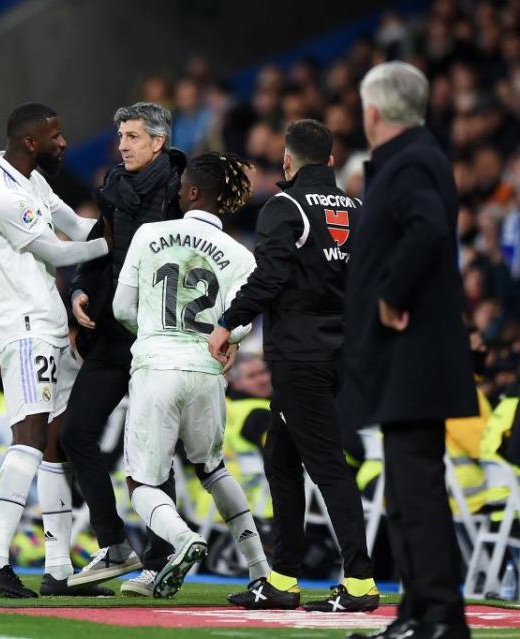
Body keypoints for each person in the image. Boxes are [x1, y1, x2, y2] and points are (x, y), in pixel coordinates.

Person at [209, 119, 378, 612]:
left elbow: (269, 278)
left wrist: (227, 323)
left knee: (326, 465)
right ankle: (282, 578)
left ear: (288, 160)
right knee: (282, 460)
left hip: (298, 353)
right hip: (340, 350)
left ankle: (361, 583)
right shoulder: (358, 209)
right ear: (330, 159)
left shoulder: (285, 206)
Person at [343, 62, 476, 639]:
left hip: (414, 354)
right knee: (405, 493)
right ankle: (418, 613)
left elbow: (428, 230)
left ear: (374, 112)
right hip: (406, 358)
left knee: (415, 491)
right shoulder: (412, 159)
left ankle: (442, 616)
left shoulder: (414, 160)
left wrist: (393, 293)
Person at [112, 152, 271, 599]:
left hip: (156, 366)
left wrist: (152, 329)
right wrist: (227, 341)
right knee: (212, 469)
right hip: (206, 371)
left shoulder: (150, 234)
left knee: (141, 481)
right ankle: (260, 569)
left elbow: (122, 308)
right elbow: (239, 324)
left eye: (183, 185)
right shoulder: (240, 254)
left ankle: (183, 540)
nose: (178, 190)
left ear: (194, 192)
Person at [0, 103, 111, 598]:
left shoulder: (32, 181)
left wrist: (132, 229)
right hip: (24, 328)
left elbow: (76, 228)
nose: (64, 142)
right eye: (56, 134)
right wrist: (118, 245)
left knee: (55, 444)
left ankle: (59, 570)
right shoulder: (1, 192)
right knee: (29, 438)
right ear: (31, 142)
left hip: (48, 325)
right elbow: (56, 252)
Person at [62, 102, 187, 593]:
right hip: (114, 333)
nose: (122, 145)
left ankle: (164, 559)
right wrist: (78, 290)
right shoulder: (113, 187)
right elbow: (101, 249)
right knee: (76, 432)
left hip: (161, 336)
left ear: (158, 142)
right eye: (121, 136)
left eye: (132, 136)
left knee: (156, 451)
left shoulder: (184, 191)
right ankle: (114, 545)